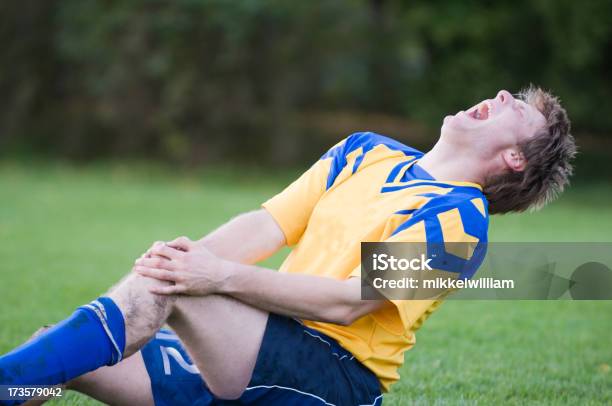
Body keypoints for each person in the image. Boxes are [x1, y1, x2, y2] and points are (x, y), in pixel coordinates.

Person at [0, 88, 575, 405]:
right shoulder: (364, 151)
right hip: (249, 353)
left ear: (515, 159)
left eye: (515, 109)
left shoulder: (461, 221)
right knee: (49, 355)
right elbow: (265, 224)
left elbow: (351, 302)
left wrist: (210, 278)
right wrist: (173, 263)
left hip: (327, 377)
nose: (500, 94)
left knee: (179, 287)